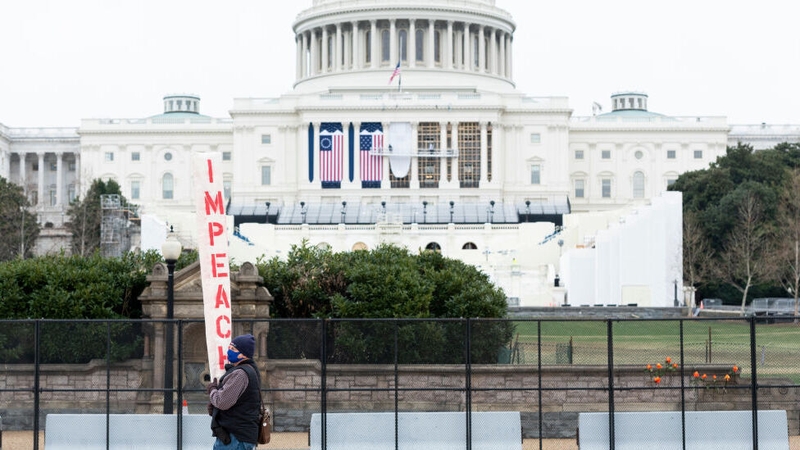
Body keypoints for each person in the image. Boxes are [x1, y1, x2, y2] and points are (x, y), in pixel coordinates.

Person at [207, 334, 261, 450]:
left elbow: (222, 402)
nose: (228, 351)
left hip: (235, 438)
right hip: (239, 436)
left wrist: (212, 390)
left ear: (243, 354)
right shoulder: (249, 370)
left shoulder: (240, 374)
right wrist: (216, 411)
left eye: (233, 349)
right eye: (229, 347)